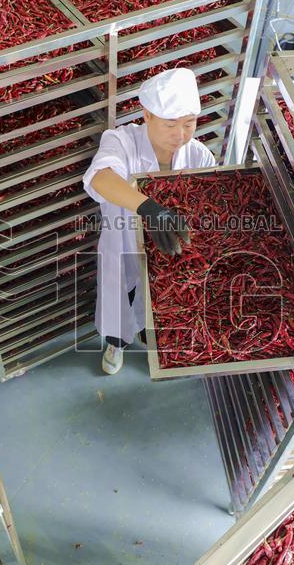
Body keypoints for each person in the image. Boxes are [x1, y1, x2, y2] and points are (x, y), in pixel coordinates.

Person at [83, 67, 216, 375]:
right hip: (125, 249)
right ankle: (116, 346)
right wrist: (150, 210)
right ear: (147, 114)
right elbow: (102, 179)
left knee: (169, 308)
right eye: (170, 124)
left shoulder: (199, 156)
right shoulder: (121, 142)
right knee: (120, 309)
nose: (180, 135)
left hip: (173, 254)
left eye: (189, 124)